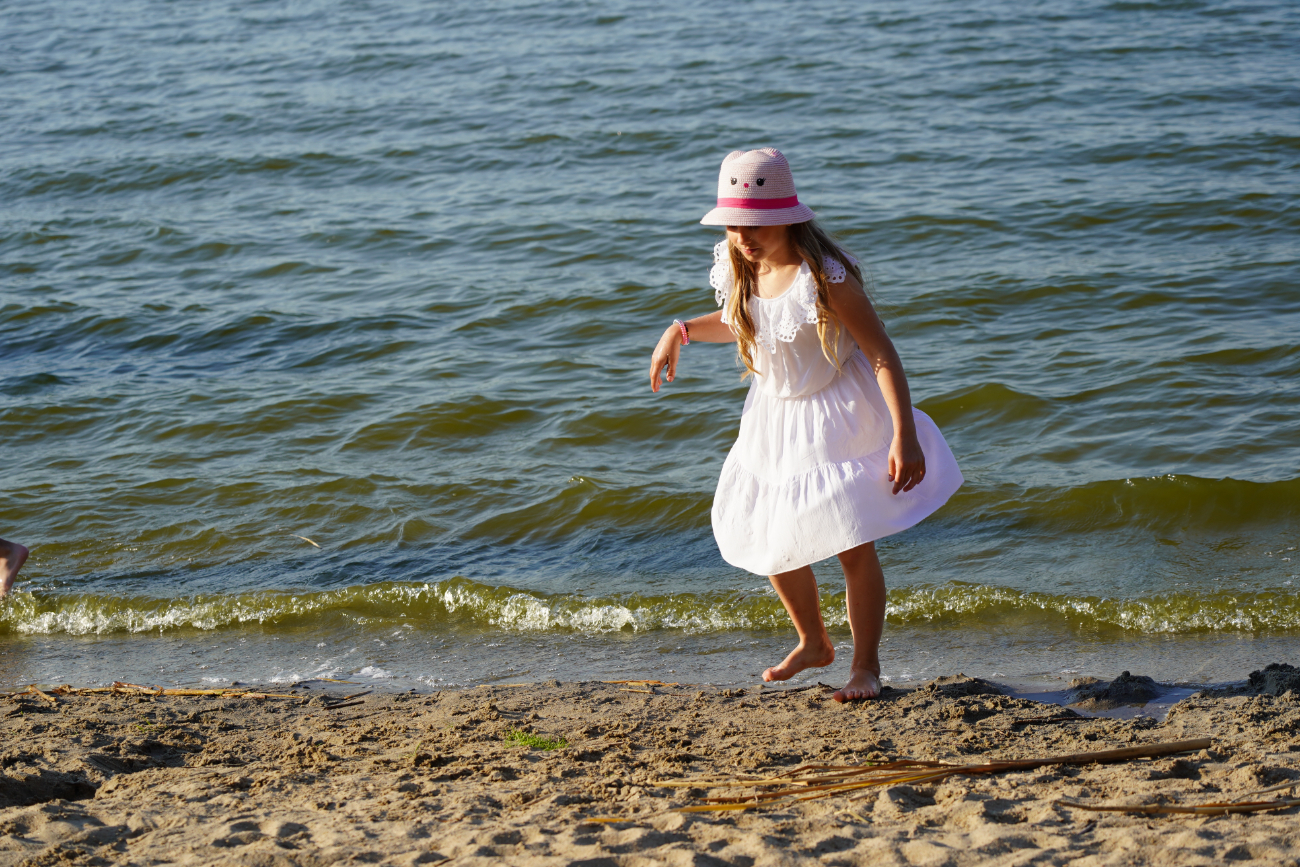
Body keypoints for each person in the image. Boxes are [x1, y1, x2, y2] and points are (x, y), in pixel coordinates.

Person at [648, 148, 962, 702]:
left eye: (755, 225)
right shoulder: (742, 263)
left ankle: (865, 666)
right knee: (770, 537)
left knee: (851, 544)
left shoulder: (825, 276)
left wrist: (904, 434)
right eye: (734, 225)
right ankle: (814, 640)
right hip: (774, 417)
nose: (743, 236)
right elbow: (743, 319)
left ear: (788, 218)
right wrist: (683, 330)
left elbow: (882, 353)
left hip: (837, 413)